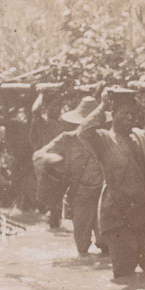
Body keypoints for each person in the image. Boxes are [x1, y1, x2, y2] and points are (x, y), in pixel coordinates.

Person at [77, 87, 145, 283]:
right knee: (124, 276)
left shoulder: (141, 137)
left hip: (143, 216)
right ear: (113, 115)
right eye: (125, 113)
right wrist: (104, 104)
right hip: (117, 218)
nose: (130, 117)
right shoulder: (103, 139)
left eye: (133, 113)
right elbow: (83, 132)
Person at [33, 96, 108, 257]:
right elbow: (39, 156)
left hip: (104, 195)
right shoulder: (68, 138)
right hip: (80, 194)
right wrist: (57, 162)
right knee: (82, 244)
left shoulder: (106, 138)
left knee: (107, 242)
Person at [29, 93, 67, 227]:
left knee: (57, 201)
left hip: (61, 164)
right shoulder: (43, 123)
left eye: (57, 106)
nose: (55, 109)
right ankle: (52, 223)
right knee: (51, 201)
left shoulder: (63, 124)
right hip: (47, 165)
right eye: (52, 106)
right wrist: (41, 93)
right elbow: (35, 111)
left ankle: (54, 223)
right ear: (46, 107)